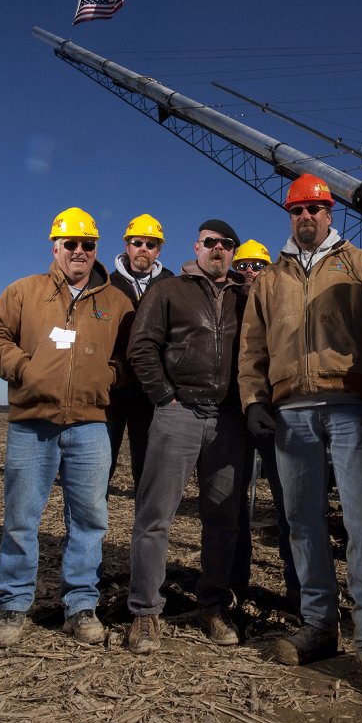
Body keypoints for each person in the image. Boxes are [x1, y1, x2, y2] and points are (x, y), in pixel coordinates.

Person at [239, 173, 362, 698]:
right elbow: (252, 348)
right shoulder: (269, 279)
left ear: (330, 214)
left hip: (351, 407)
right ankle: (319, 627)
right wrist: (253, 401)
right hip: (291, 412)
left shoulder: (361, 266)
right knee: (302, 522)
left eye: (315, 209)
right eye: (297, 210)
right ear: (289, 216)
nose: (305, 217)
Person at [0, 207, 134, 648]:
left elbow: (131, 357)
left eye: (88, 244)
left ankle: (81, 605)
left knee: (89, 520)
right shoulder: (25, 292)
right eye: (71, 244)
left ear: (97, 249)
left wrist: (110, 376)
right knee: (21, 519)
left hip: (90, 426)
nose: (79, 251)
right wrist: (24, 368)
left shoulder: (116, 302)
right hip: (32, 423)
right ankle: (13, 605)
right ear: (55, 247)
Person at [126, 219, 248, 654]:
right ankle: (145, 613)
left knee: (223, 520)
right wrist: (164, 395)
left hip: (228, 420)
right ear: (196, 247)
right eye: (210, 242)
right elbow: (142, 345)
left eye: (226, 244)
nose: (218, 249)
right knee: (155, 514)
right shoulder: (169, 290)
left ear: (232, 251)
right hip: (180, 413)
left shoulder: (243, 297)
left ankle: (212, 605)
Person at [229, 239, 300, 611]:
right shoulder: (225, 304)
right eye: (243, 266)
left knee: (290, 504)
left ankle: (297, 586)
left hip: (275, 412)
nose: (249, 273)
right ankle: (234, 583)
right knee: (233, 505)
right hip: (234, 416)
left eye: (257, 266)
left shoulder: (280, 305)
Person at [107, 214, 174, 491]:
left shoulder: (172, 285)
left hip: (150, 390)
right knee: (100, 463)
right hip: (110, 387)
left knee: (147, 466)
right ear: (127, 246)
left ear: (159, 250)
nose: (143, 248)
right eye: (137, 242)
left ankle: (145, 529)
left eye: (151, 244)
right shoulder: (104, 283)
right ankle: (91, 531)